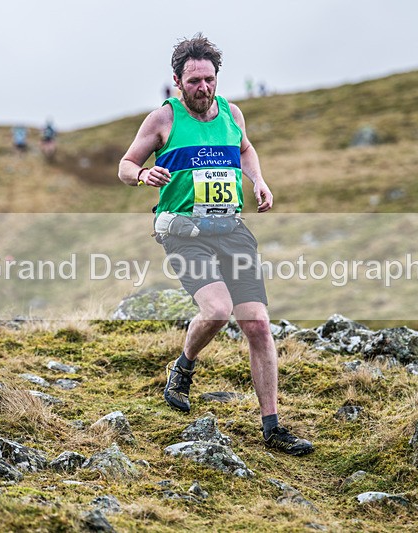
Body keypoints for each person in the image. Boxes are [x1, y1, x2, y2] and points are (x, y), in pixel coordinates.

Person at [118, 34, 313, 456]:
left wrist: (257, 181)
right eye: (194, 82)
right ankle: (183, 366)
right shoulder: (162, 120)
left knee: (258, 324)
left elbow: (245, 149)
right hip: (184, 233)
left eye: (209, 80)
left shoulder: (232, 113)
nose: (203, 89)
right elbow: (125, 164)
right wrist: (141, 176)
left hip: (231, 230)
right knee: (218, 311)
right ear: (177, 81)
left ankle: (273, 428)